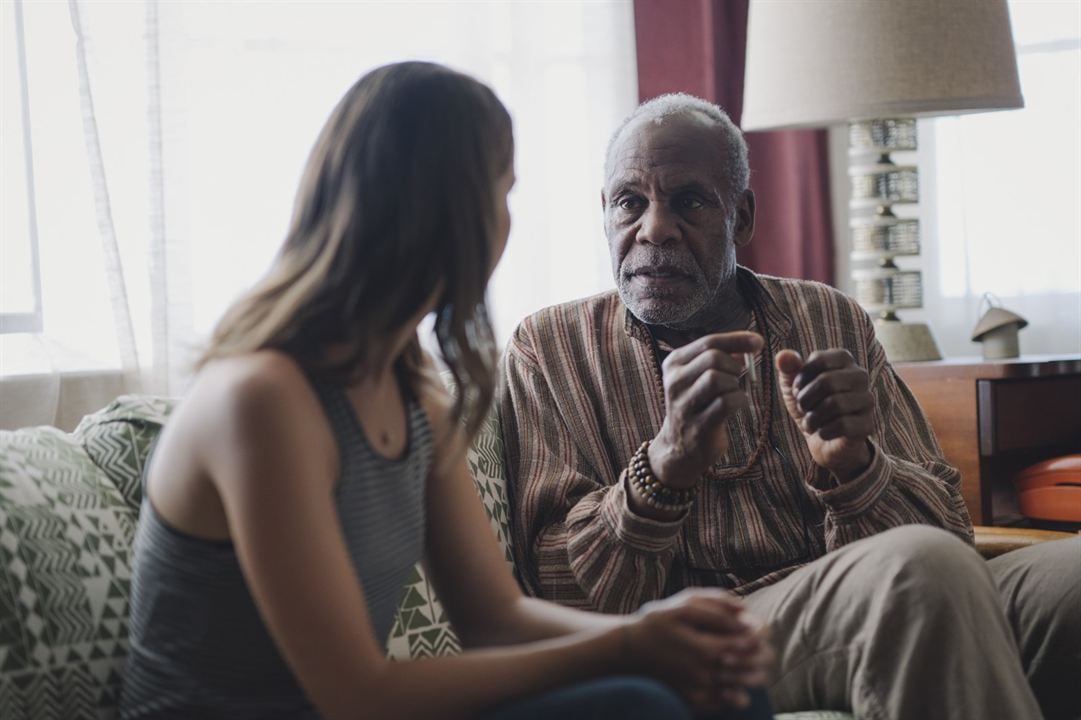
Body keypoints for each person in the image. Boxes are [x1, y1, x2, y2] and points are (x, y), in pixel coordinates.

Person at [117, 64, 776, 720]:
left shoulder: (412, 392)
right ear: (444, 209)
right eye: (502, 193)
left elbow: (494, 617)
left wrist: (671, 640)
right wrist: (631, 645)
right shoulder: (261, 401)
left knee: (718, 687)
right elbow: (357, 696)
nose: (505, 224)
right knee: (642, 703)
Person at [500, 92, 1081, 720]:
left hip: (862, 591)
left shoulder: (827, 316)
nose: (654, 227)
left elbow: (950, 537)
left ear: (743, 218)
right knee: (918, 574)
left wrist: (858, 469)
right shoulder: (549, 347)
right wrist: (660, 470)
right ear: (606, 213)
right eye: (629, 202)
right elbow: (558, 595)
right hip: (706, 640)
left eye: (690, 200)